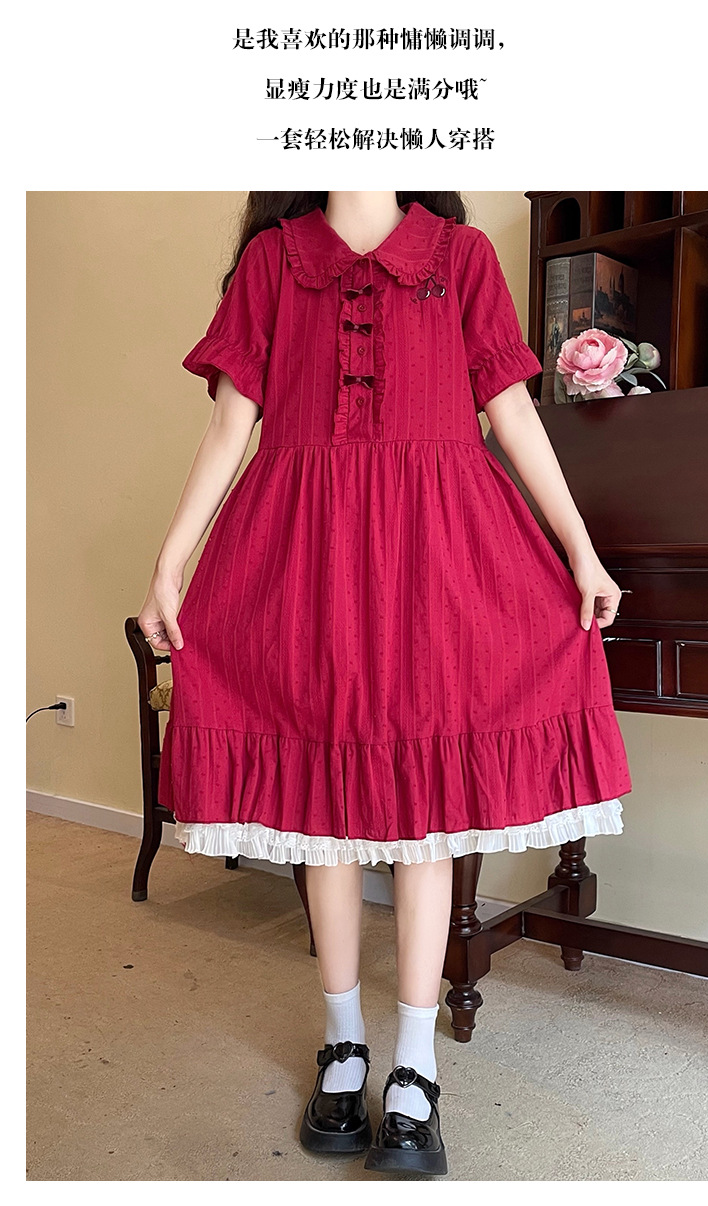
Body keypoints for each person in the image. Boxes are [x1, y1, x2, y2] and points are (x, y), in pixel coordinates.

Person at [137, 191, 631, 1176]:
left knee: (426, 812)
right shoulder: (274, 261)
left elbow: (510, 411)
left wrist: (579, 550)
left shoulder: (461, 255)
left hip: (440, 554)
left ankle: (413, 1065)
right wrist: (170, 563)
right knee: (318, 808)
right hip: (299, 554)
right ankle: (343, 1044)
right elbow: (233, 426)